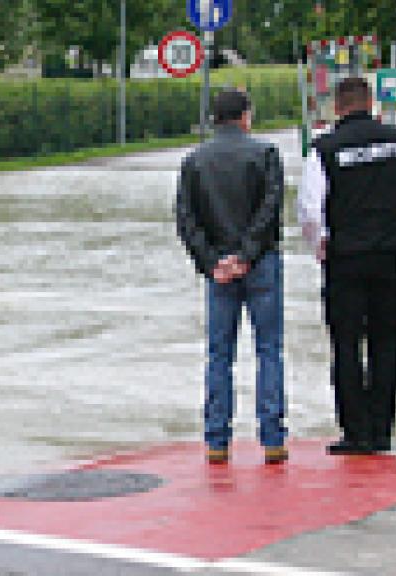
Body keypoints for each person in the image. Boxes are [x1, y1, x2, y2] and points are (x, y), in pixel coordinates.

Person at [297, 77, 396, 455]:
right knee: (386, 343)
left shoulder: (323, 149)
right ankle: (381, 429)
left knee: (346, 345)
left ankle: (355, 432)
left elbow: (310, 210)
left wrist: (322, 247)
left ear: (337, 108)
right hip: (389, 259)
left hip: (343, 260)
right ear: (371, 103)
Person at [176, 88, 288, 465]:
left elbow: (186, 220)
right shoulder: (266, 155)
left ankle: (216, 440)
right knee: (268, 349)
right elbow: (270, 208)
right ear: (245, 116)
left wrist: (213, 262)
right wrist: (247, 254)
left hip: (218, 271)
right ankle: (272, 437)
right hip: (261, 265)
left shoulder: (194, 161)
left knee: (219, 355)